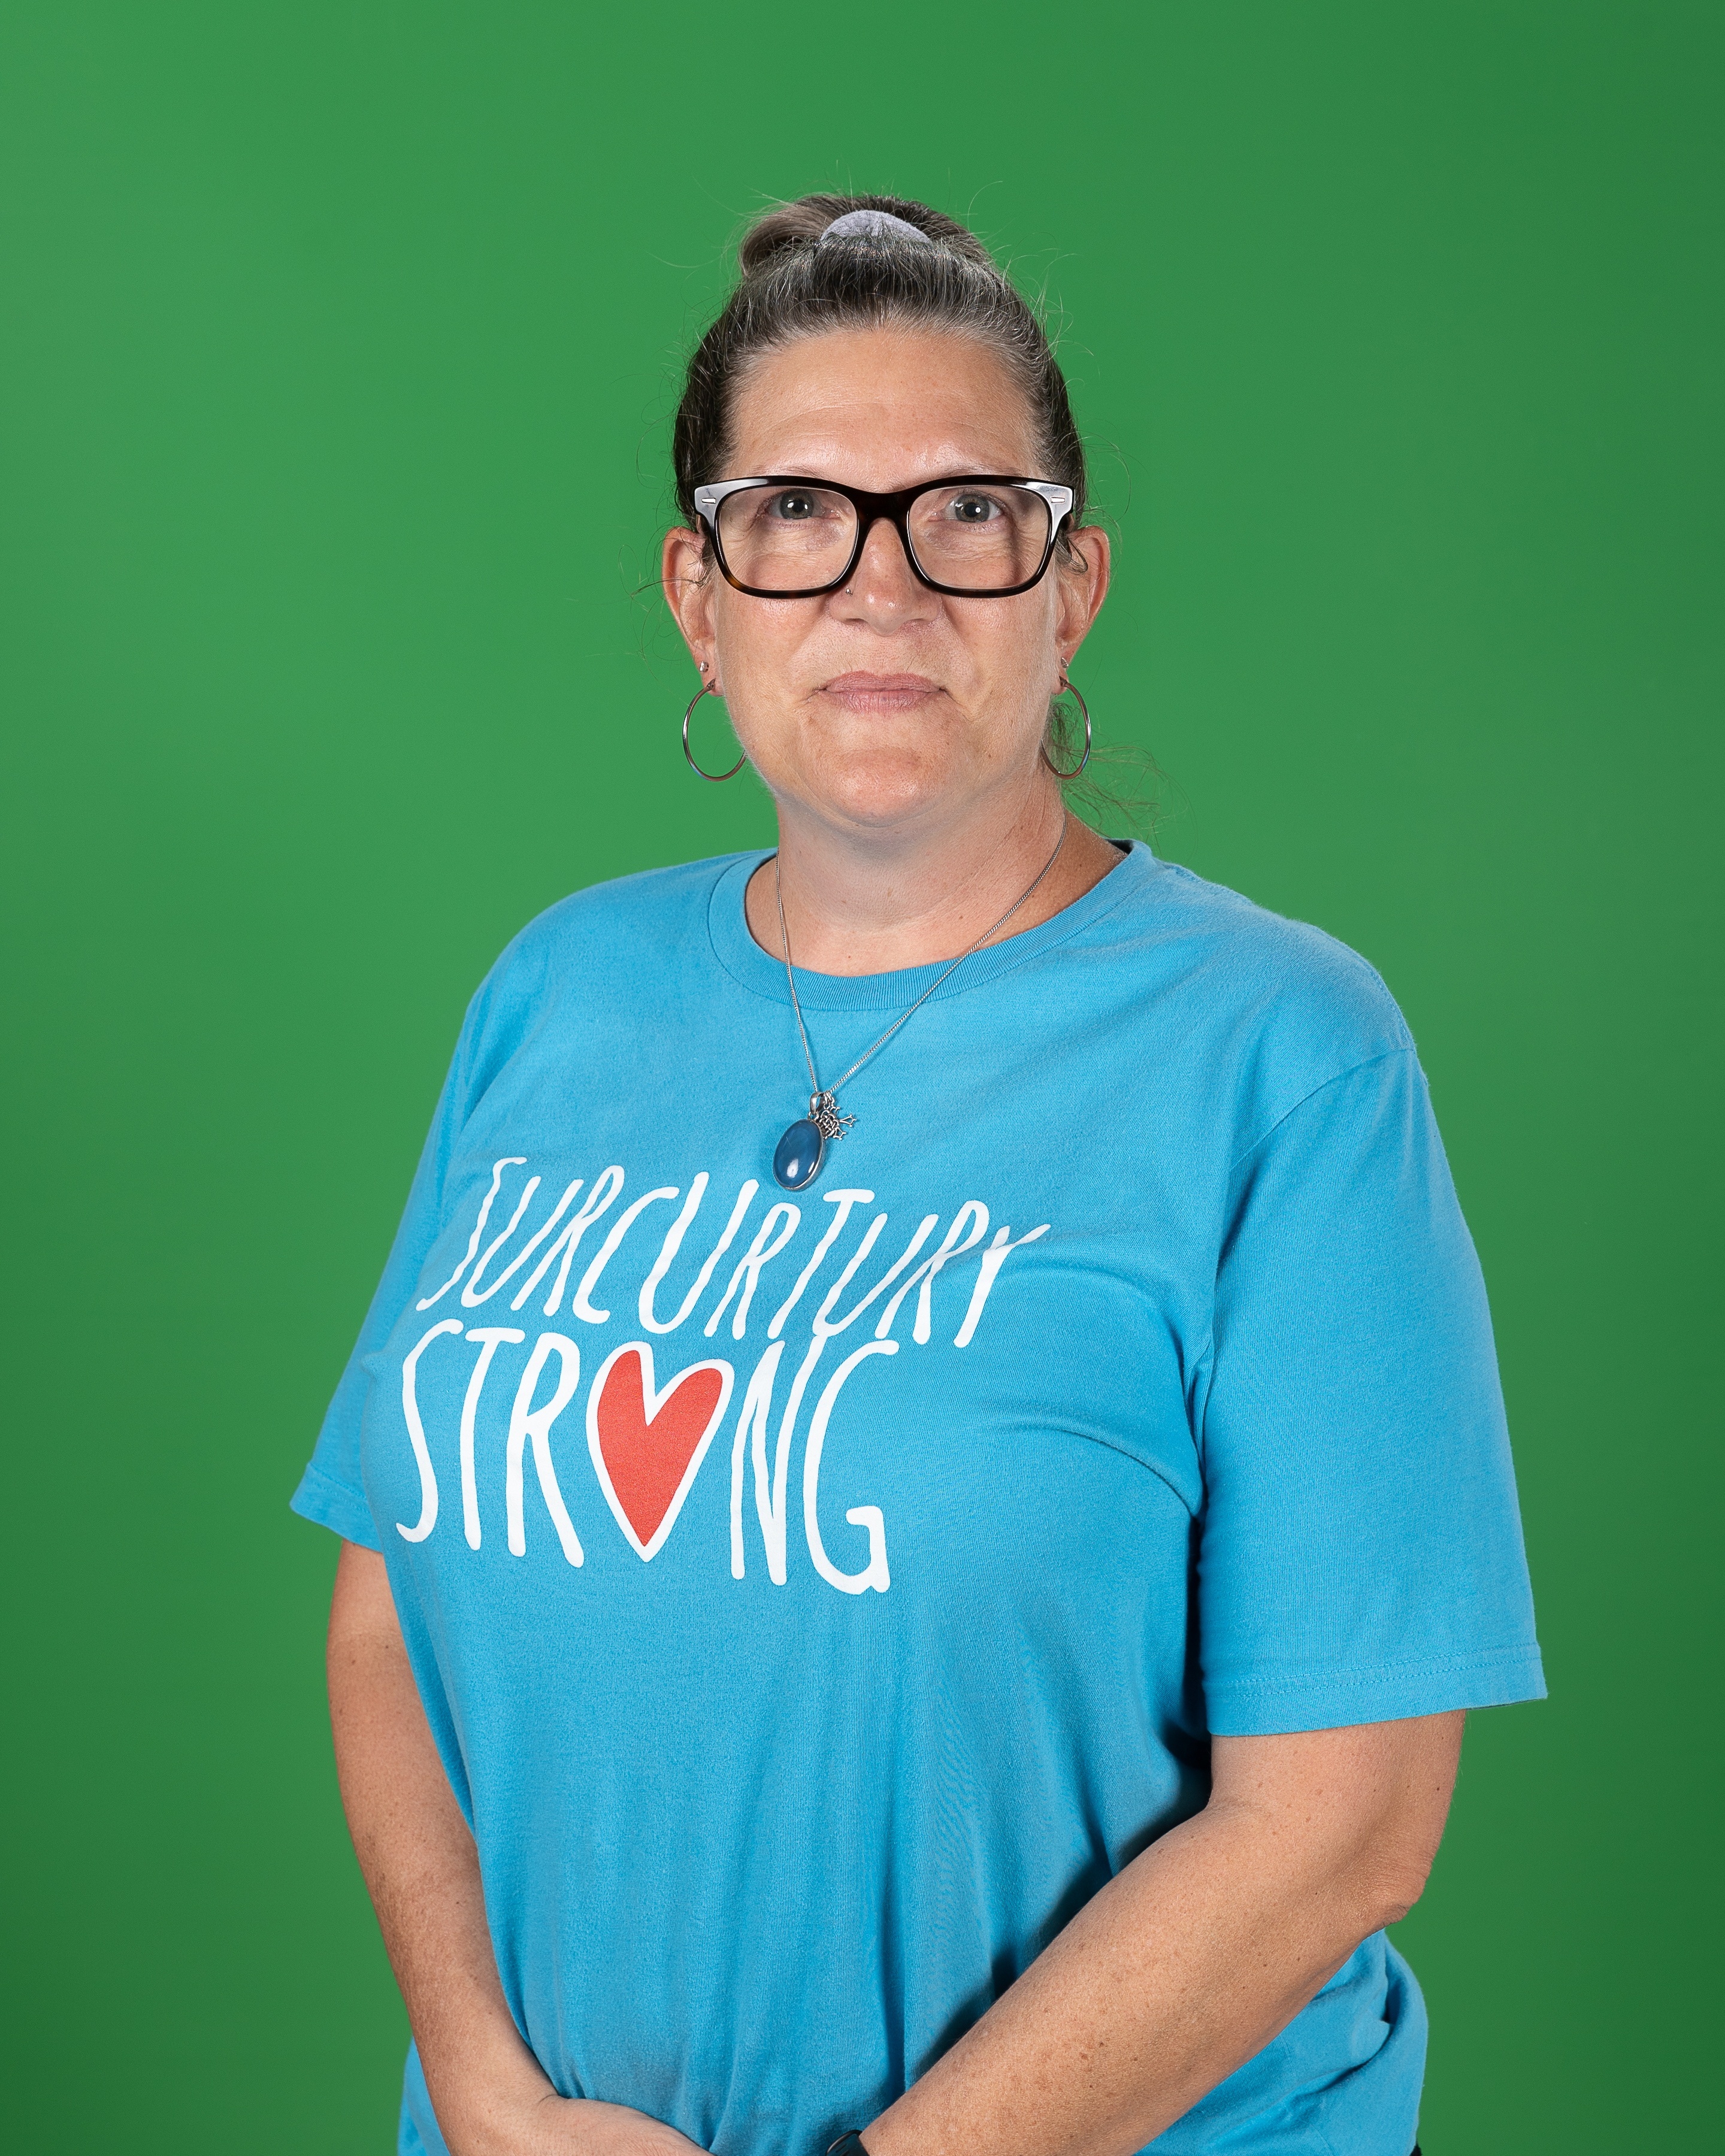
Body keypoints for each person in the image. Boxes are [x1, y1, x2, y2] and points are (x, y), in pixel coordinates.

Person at [293, 193, 1544, 2156]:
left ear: (1073, 585)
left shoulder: (1283, 1057)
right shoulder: (558, 992)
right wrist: (482, 2091)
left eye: (968, 512)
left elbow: (1342, 1828)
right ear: (700, 597)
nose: (881, 589)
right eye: (794, 512)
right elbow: (388, 1613)